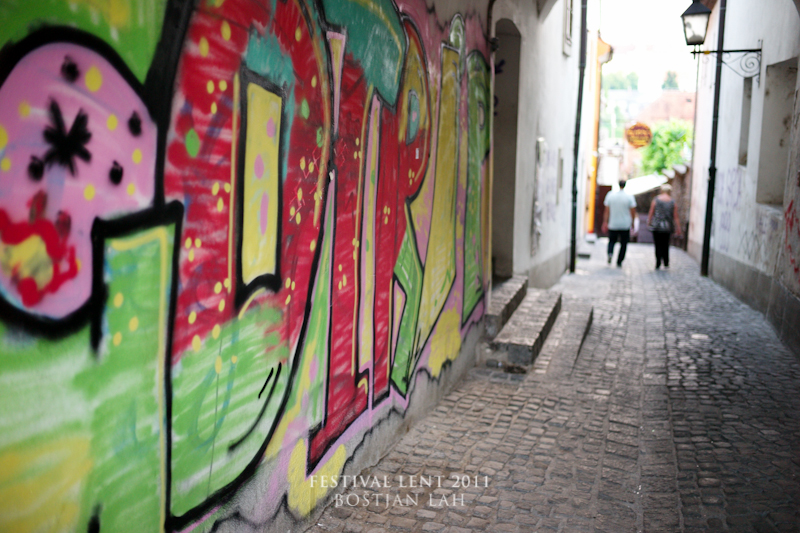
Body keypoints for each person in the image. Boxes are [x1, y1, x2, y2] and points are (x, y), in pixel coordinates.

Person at [602, 180, 637, 267]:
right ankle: (619, 261)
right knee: (623, 243)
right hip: (625, 224)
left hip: (613, 223)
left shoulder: (610, 195)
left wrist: (605, 222)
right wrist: (633, 223)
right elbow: (633, 211)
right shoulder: (629, 197)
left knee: (611, 241)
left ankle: (610, 253)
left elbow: (607, 210)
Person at [647, 184, 682, 269]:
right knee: (666, 244)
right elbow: (675, 216)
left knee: (657, 244)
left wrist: (649, 222)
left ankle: (658, 261)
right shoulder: (672, 201)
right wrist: (678, 228)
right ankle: (666, 261)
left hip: (657, 226)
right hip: (667, 226)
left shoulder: (656, 200)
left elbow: (651, 211)